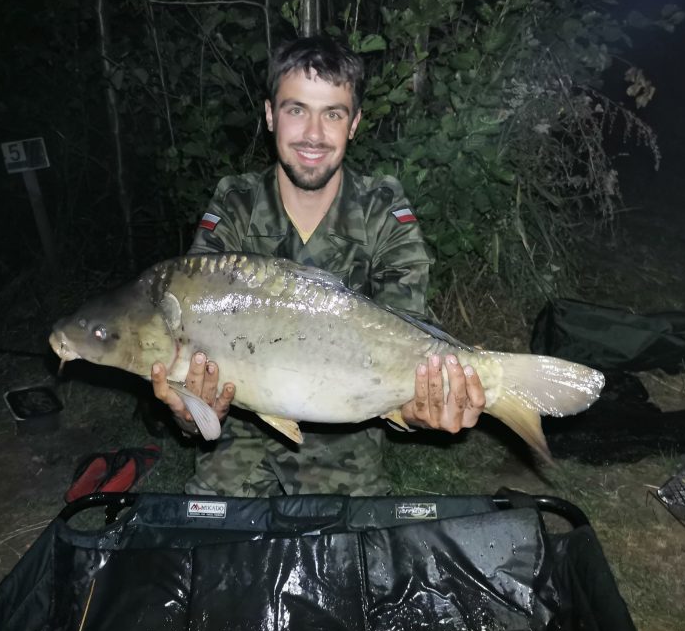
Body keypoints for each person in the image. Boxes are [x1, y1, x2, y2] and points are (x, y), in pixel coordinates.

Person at [151, 35, 486, 497]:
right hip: (238, 445)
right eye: (296, 110)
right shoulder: (236, 205)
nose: (313, 133)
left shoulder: (381, 209)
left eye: (332, 113)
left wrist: (418, 408)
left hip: (346, 444)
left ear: (354, 123)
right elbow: (190, 363)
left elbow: (409, 342)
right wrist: (190, 410)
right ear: (270, 115)